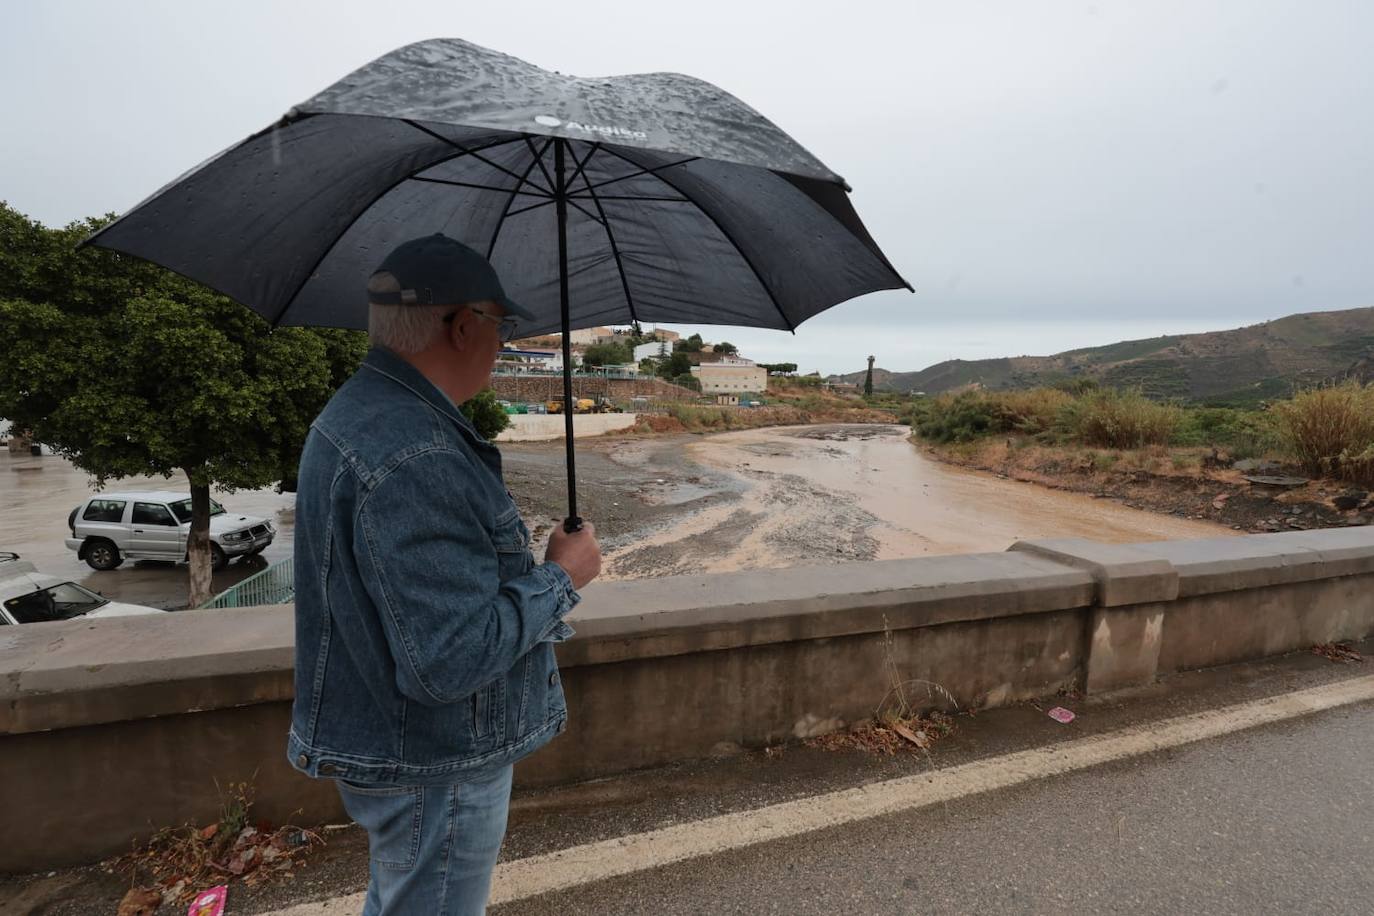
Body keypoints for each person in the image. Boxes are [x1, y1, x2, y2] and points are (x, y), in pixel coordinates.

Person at [287, 233, 602, 915]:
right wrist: (561, 577)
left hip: (395, 744)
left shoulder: (362, 416)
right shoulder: (416, 454)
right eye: (501, 325)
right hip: (435, 760)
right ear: (464, 327)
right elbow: (449, 661)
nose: (502, 342)